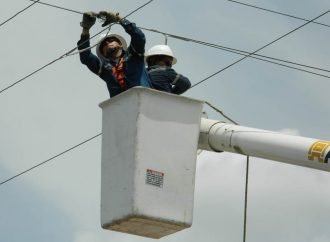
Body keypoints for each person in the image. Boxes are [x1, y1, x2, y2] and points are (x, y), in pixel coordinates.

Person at [77, 11, 151, 98]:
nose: (107, 43)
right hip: (120, 106)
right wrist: (86, 29)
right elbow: (86, 57)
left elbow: (139, 36)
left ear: (120, 44)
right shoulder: (103, 68)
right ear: (103, 53)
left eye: (111, 40)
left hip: (143, 99)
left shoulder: (134, 54)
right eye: (104, 45)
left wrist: (118, 19)